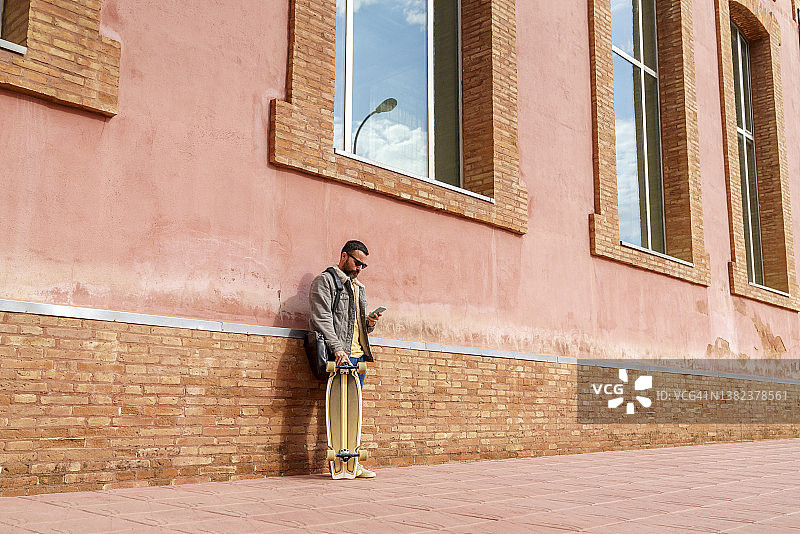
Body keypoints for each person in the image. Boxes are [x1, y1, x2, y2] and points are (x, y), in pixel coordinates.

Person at [309, 240, 381, 478]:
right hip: (339, 357)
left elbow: (356, 326)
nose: (360, 268)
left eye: (364, 265)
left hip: (358, 358)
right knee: (336, 412)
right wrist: (338, 350)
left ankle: (352, 462)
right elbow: (322, 319)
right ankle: (337, 463)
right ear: (343, 256)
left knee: (354, 413)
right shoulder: (325, 281)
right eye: (357, 262)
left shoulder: (359, 288)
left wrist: (368, 324)